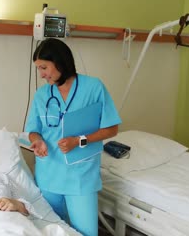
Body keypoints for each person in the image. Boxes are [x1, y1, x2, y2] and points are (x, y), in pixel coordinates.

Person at [25, 38, 121, 236]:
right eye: (38, 69)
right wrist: (37, 140)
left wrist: (79, 141)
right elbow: (33, 129)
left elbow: (111, 129)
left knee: (86, 232)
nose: (41, 74)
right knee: (49, 231)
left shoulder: (93, 88)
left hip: (81, 176)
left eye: (44, 67)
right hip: (48, 174)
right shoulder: (42, 95)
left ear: (59, 62)